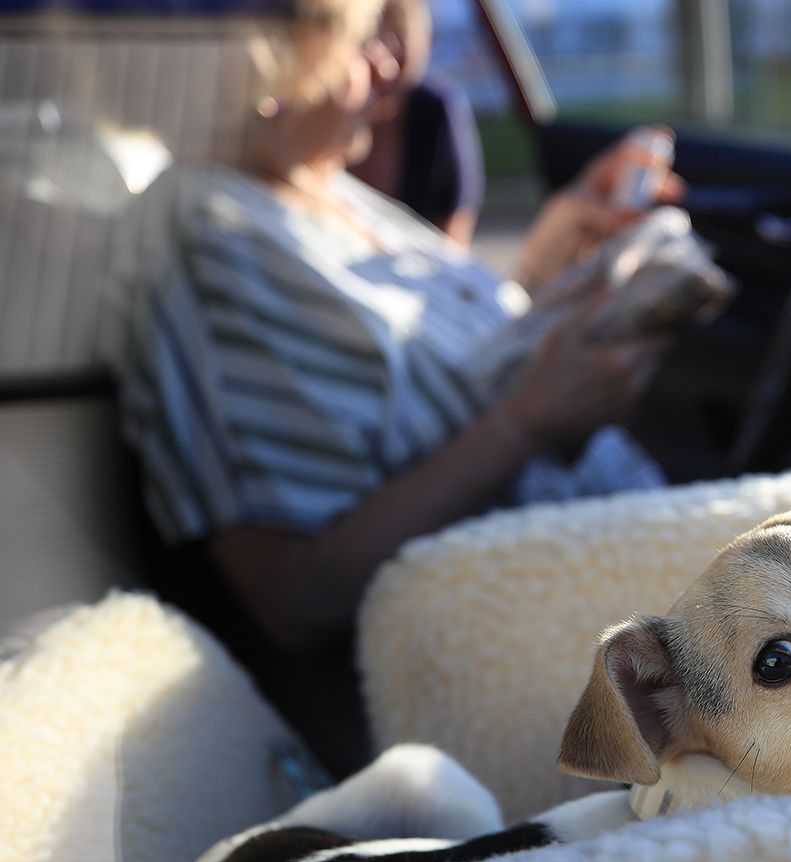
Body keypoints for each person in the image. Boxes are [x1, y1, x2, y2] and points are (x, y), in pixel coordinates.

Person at [107, 0, 690, 773]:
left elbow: (438, 388)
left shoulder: (328, 192)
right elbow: (297, 597)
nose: (389, 67)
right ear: (260, 65)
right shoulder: (209, 236)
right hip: (555, 672)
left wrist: (558, 263)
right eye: (355, 42)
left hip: (626, 583)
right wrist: (526, 423)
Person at [347, 0, 483, 242]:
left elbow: (453, 239)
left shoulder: (435, 109)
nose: (386, 64)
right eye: (371, 38)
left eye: (400, 37)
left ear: (426, 43)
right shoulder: (325, 117)